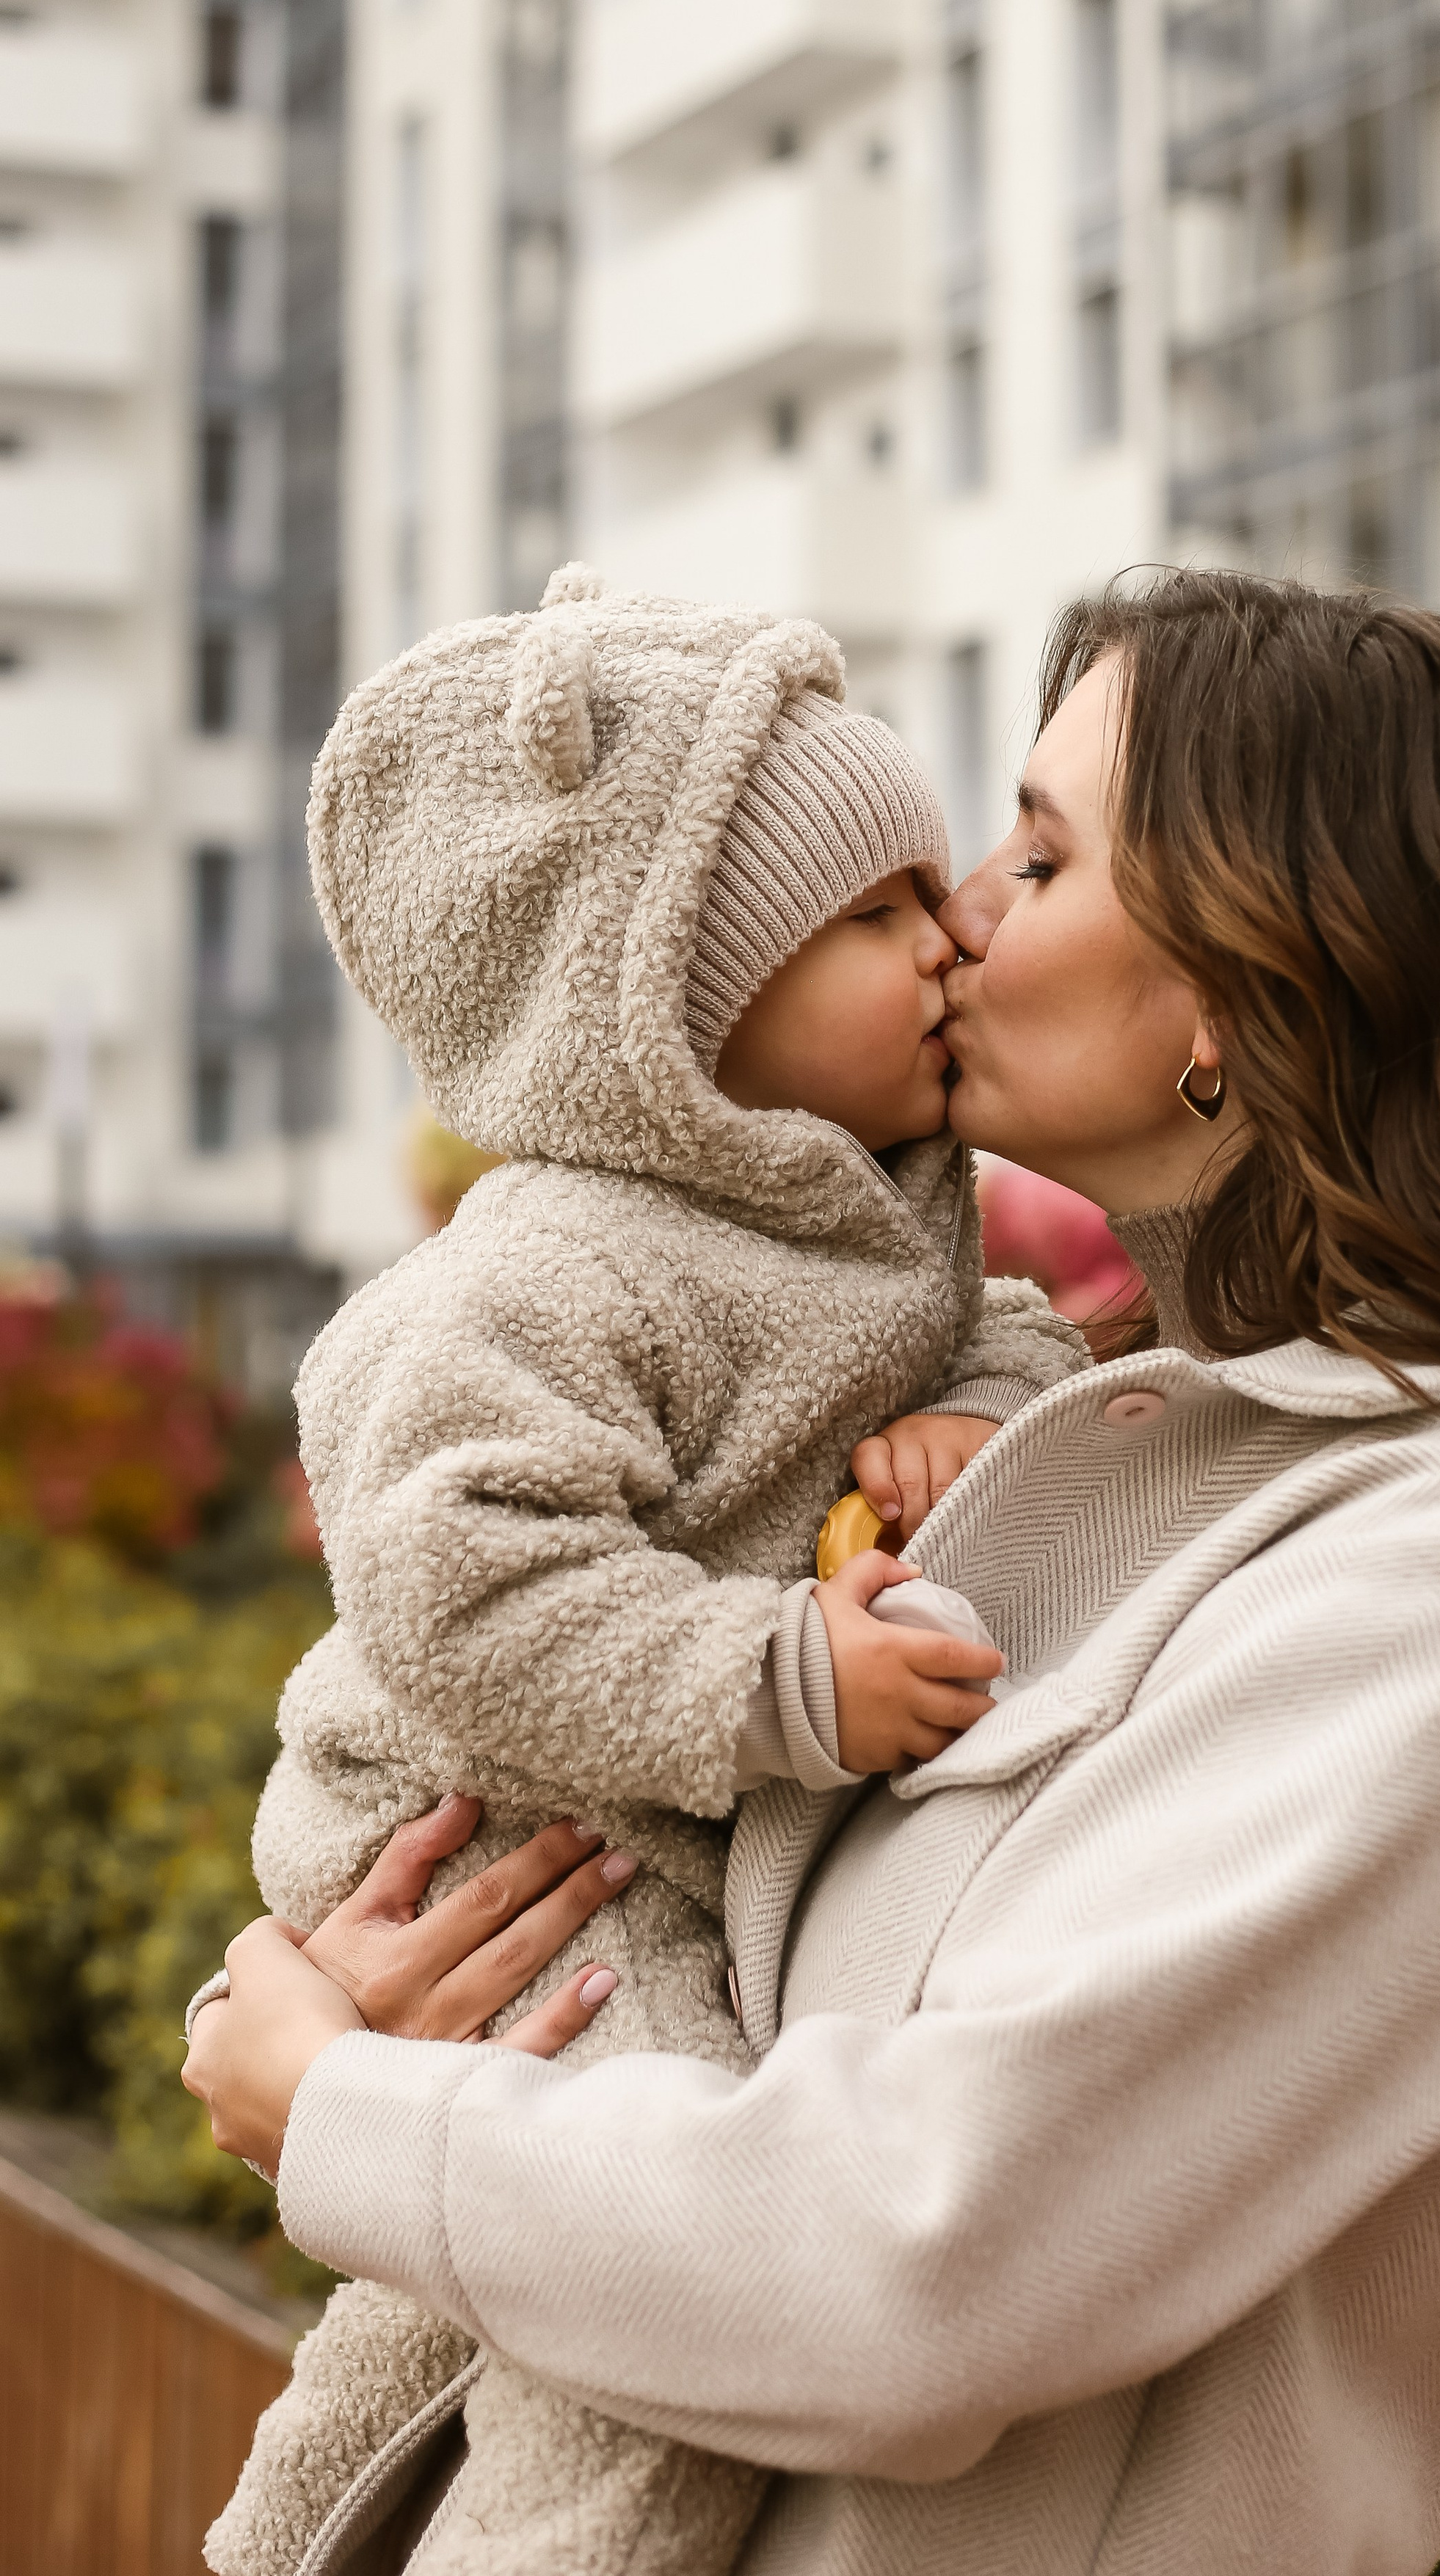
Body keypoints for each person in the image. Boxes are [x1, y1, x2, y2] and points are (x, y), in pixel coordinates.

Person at [187, 570, 1440, 2576]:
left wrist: (344, 2111)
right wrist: (413, 2000)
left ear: (1244, 986)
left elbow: (914, 2263)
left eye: (1040, 853)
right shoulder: (1067, 1440)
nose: (963, 915)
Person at [197, 564, 1085, 2576]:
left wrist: (984, 1405)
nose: (949, 933)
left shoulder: (864, 1213)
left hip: (622, 1851)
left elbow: (1009, 1332)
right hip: (478, 1837)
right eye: (873, 913)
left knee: (442, 2299)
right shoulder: (553, 1268)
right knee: (650, 2310)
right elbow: (461, 1581)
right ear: (669, 1003)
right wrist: (780, 1677)